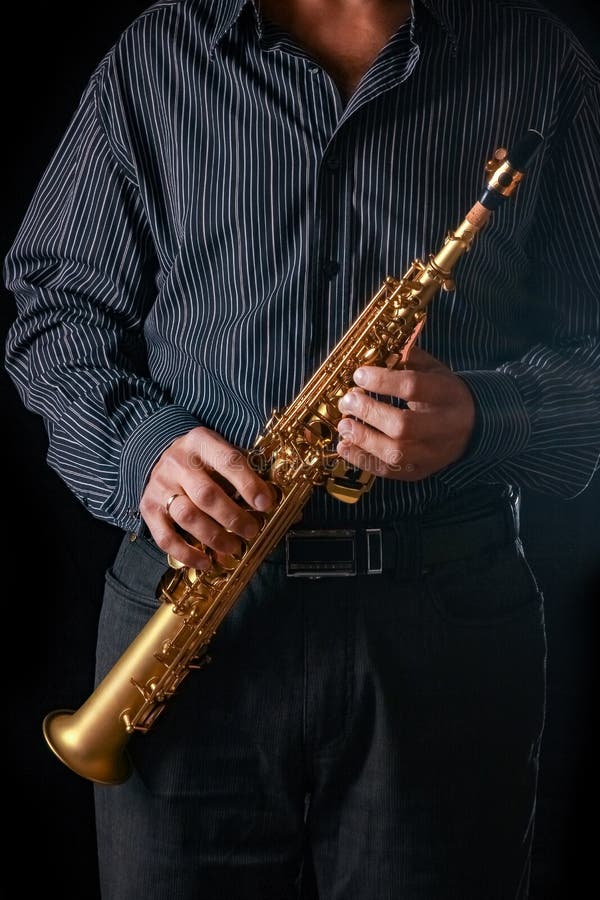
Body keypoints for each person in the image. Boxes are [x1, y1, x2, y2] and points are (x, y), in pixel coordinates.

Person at [4, 0, 599, 897]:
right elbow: (56, 312)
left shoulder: (537, 59)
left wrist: (487, 415)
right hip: (192, 612)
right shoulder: (160, 55)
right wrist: (143, 451)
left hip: (444, 630)